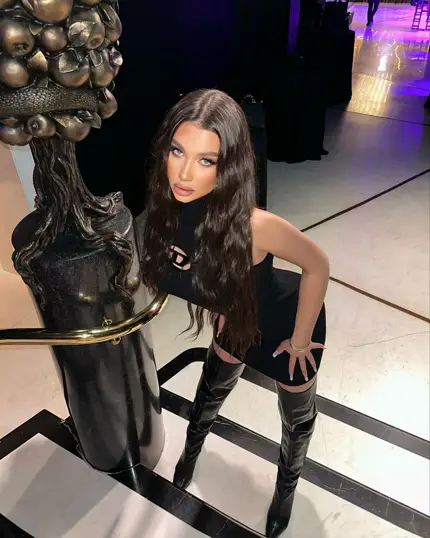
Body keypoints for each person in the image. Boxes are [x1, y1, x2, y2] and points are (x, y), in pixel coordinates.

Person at [140, 89, 329, 538]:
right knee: (209, 392)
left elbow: (318, 265)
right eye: (177, 151)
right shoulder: (170, 212)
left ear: (229, 166)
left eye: (206, 160)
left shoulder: (255, 225)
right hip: (238, 319)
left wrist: (301, 339)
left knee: (296, 420)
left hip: (285, 324)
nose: (185, 173)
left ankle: (285, 489)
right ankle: (191, 451)